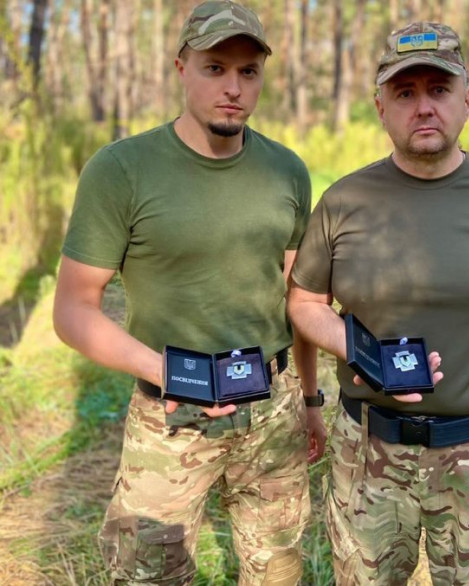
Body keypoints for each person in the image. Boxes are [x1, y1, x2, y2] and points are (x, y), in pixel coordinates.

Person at [288, 21, 469, 586]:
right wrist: (361, 351)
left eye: (439, 89)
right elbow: (304, 301)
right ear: (381, 108)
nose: (424, 107)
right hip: (368, 452)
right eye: (405, 92)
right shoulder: (344, 201)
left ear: (466, 100)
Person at [53, 2, 326, 584]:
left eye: (248, 71)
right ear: (182, 68)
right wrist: (163, 370)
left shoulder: (287, 171)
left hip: (271, 410)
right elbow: (74, 309)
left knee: (277, 572)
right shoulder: (122, 170)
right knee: (148, 573)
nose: (233, 88)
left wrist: (309, 400)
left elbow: (297, 300)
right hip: (170, 415)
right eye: (215, 68)